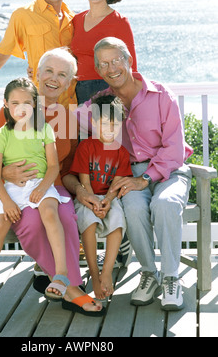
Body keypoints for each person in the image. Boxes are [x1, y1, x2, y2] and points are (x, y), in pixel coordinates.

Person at [0, 48, 105, 317]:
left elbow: (66, 170)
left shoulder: (65, 117)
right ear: (36, 73)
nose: (53, 78)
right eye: (48, 71)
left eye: (62, 74)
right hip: (9, 191)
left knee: (67, 217)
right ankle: (73, 291)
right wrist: (5, 173)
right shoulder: (12, 109)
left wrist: (81, 192)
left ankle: (64, 282)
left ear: (70, 82)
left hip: (51, 187)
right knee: (33, 223)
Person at [73, 37, 193, 311]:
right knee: (133, 207)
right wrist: (23, 117)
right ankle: (149, 273)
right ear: (98, 69)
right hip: (128, 175)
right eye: (103, 64)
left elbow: (174, 149)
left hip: (168, 171)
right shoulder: (101, 104)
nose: (111, 67)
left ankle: (171, 278)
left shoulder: (161, 95)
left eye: (116, 60)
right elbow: (63, 121)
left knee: (164, 204)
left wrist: (146, 178)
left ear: (129, 61)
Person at [0, 77, 72, 315]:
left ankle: (61, 274)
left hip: (41, 182)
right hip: (11, 188)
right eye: (15, 102)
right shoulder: (1, 135)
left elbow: (53, 167)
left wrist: (43, 188)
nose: (21, 107)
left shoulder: (45, 130)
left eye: (27, 102)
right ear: (6, 104)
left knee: (49, 212)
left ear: (35, 104)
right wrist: (7, 202)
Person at [69, 94, 132, 299]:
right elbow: (84, 182)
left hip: (108, 198)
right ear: (95, 122)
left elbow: (116, 185)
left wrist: (107, 201)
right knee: (88, 221)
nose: (109, 129)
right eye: (105, 123)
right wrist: (93, 201)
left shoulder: (121, 152)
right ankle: (94, 274)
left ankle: (107, 272)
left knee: (117, 220)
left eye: (115, 125)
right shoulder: (86, 146)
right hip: (88, 197)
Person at [70, 0, 137, 104]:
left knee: (103, 128)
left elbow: (132, 68)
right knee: (81, 128)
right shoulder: (76, 20)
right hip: (76, 94)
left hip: (107, 94)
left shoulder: (119, 22)